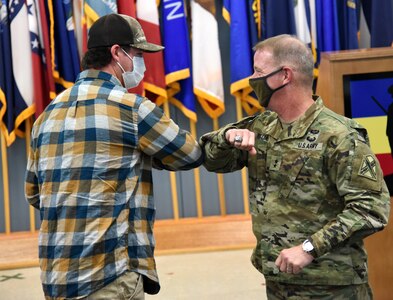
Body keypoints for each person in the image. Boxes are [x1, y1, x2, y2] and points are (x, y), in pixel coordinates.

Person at [25, 14, 203, 299]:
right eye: (138, 54)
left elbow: (35, 195)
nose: (142, 63)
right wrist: (146, 153)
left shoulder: (46, 115)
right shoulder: (132, 109)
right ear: (117, 53)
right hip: (109, 277)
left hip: (56, 278)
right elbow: (190, 153)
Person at [199, 34, 390, 299]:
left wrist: (310, 248)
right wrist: (226, 138)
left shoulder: (339, 136)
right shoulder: (262, 127)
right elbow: (211, 159)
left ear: (284, 75)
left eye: (258, 71)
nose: (251, 79)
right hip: (278, 280)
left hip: (333, 286)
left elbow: (371, 209)